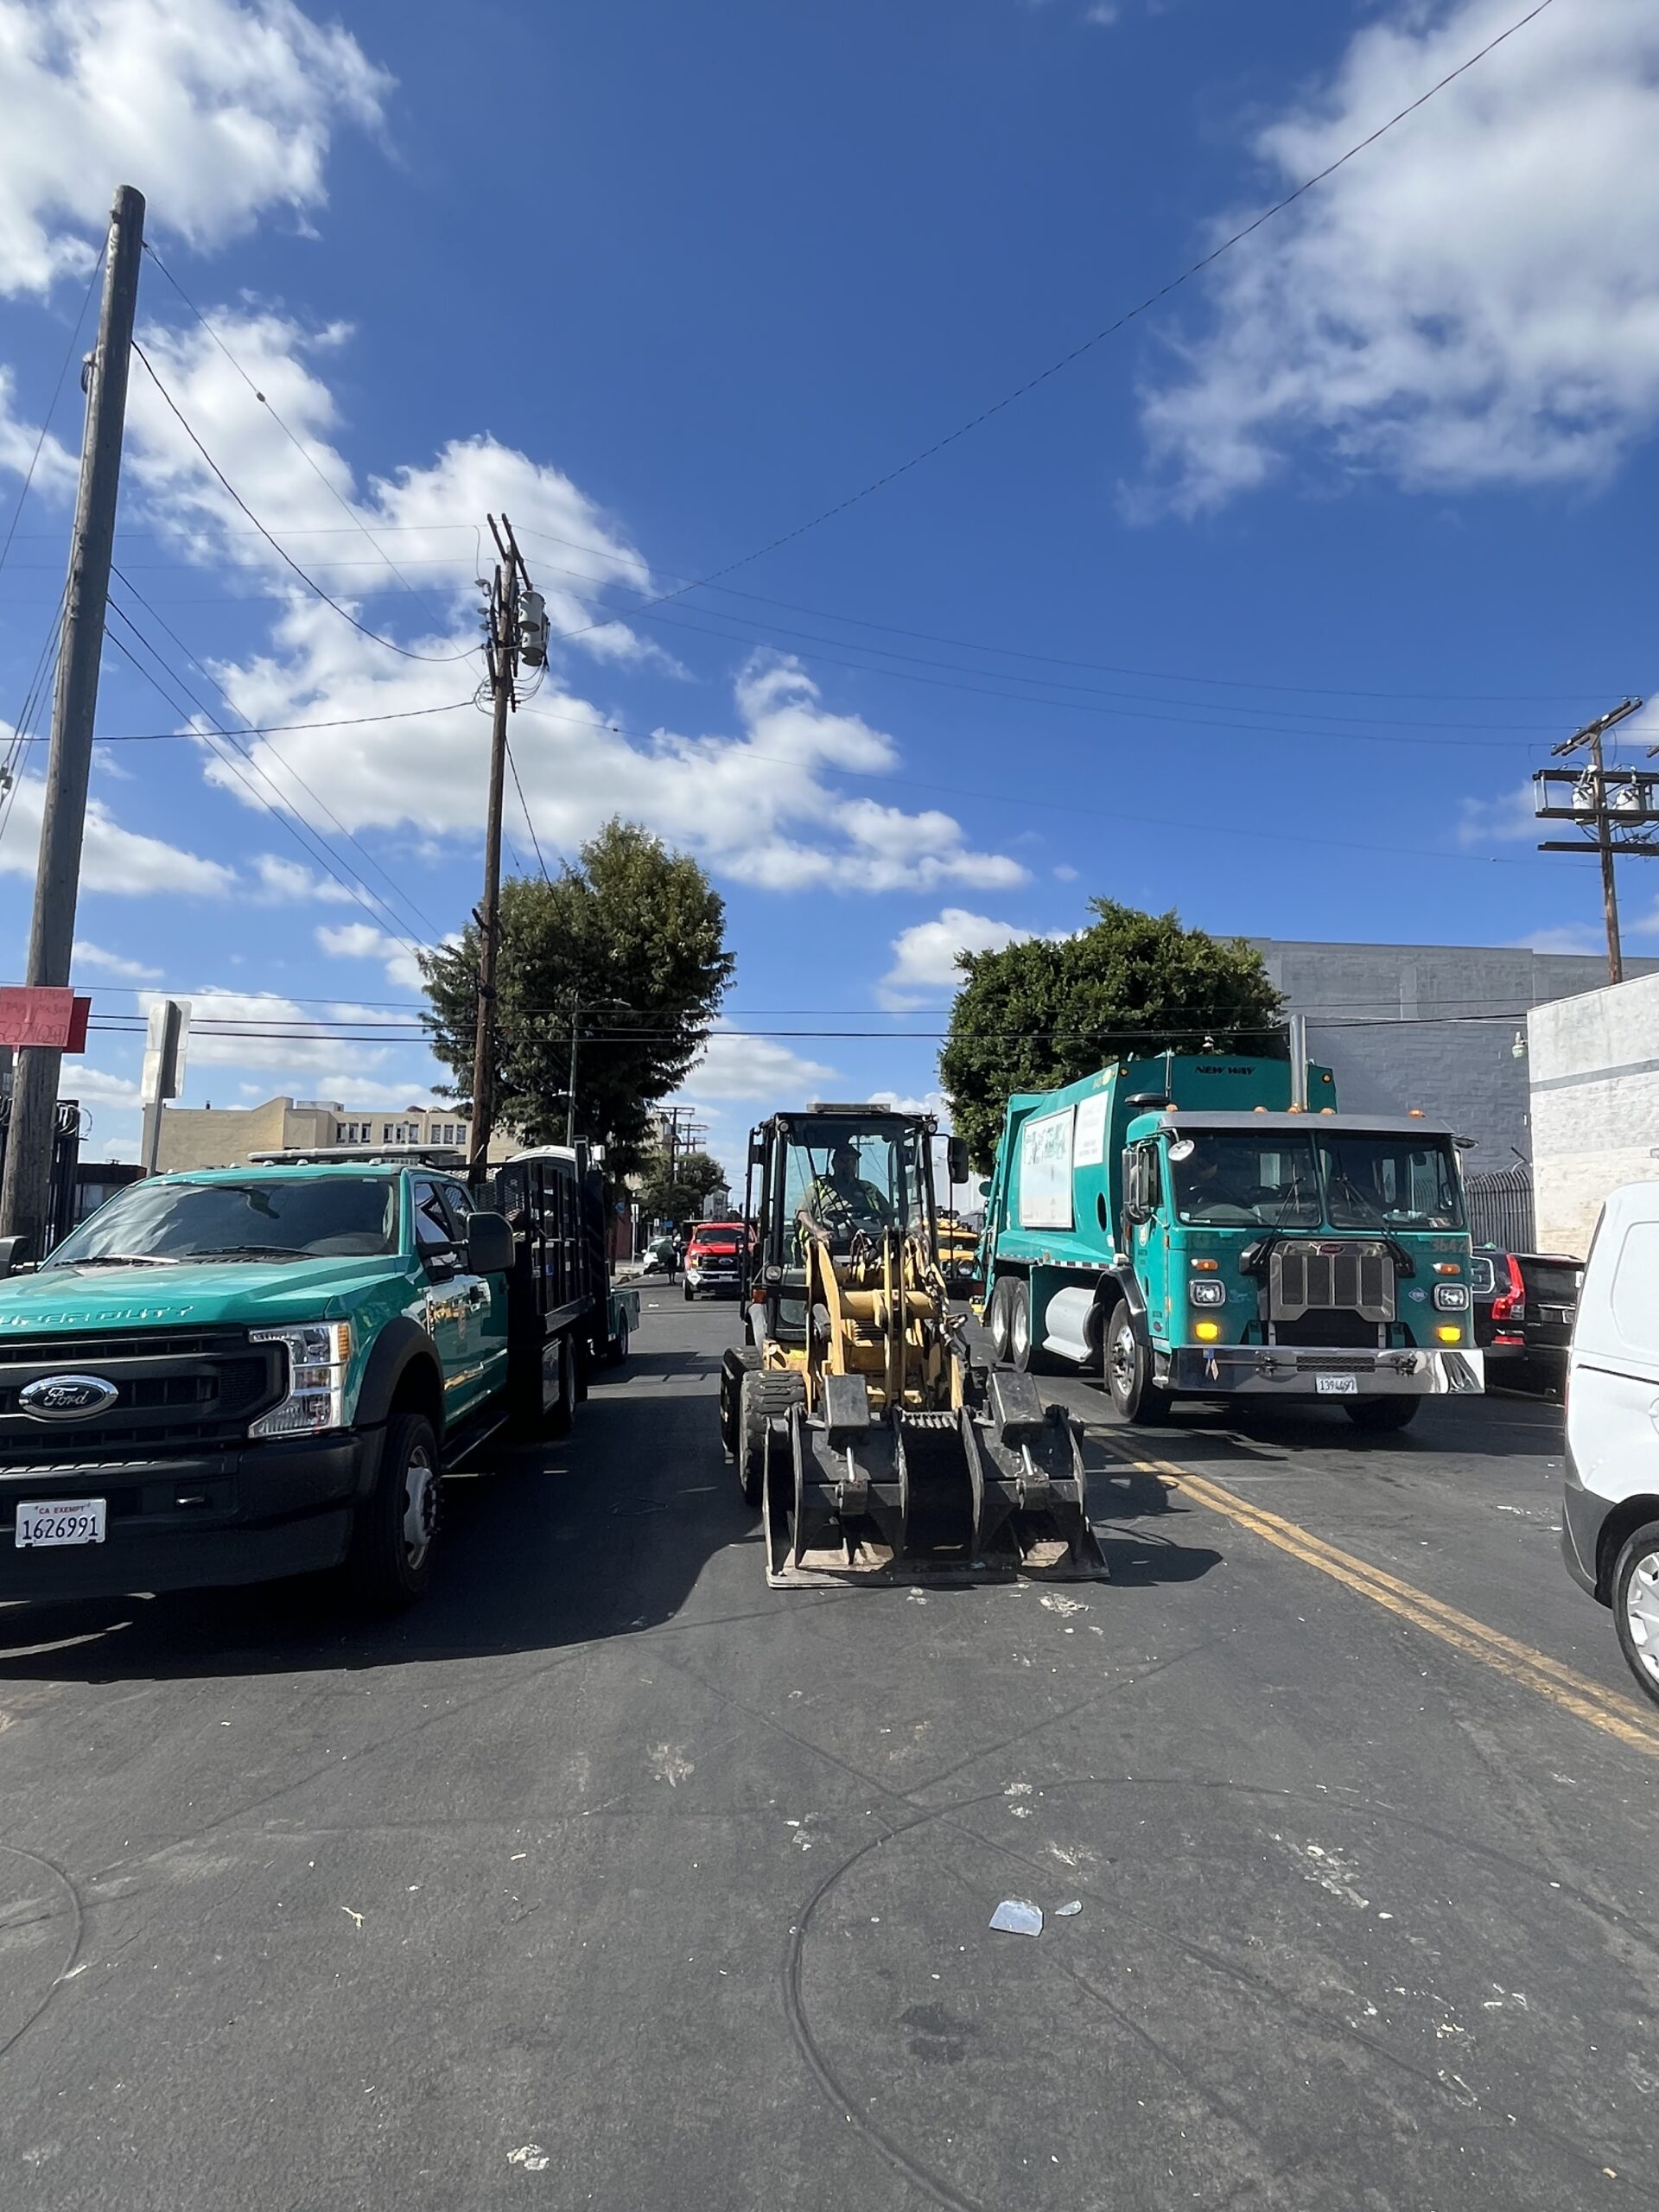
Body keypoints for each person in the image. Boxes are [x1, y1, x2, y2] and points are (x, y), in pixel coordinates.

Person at [798, 1141, 893, 1249]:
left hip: (869, 1241)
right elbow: (803, 1213)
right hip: (830, 1240)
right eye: (844, 1160)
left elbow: (888, 1214)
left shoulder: (869, 1189)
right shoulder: (819, 1188)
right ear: (834, 1163)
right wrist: (819, 1232)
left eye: (853, 1161)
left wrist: (886, 1234)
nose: (849, 1165)